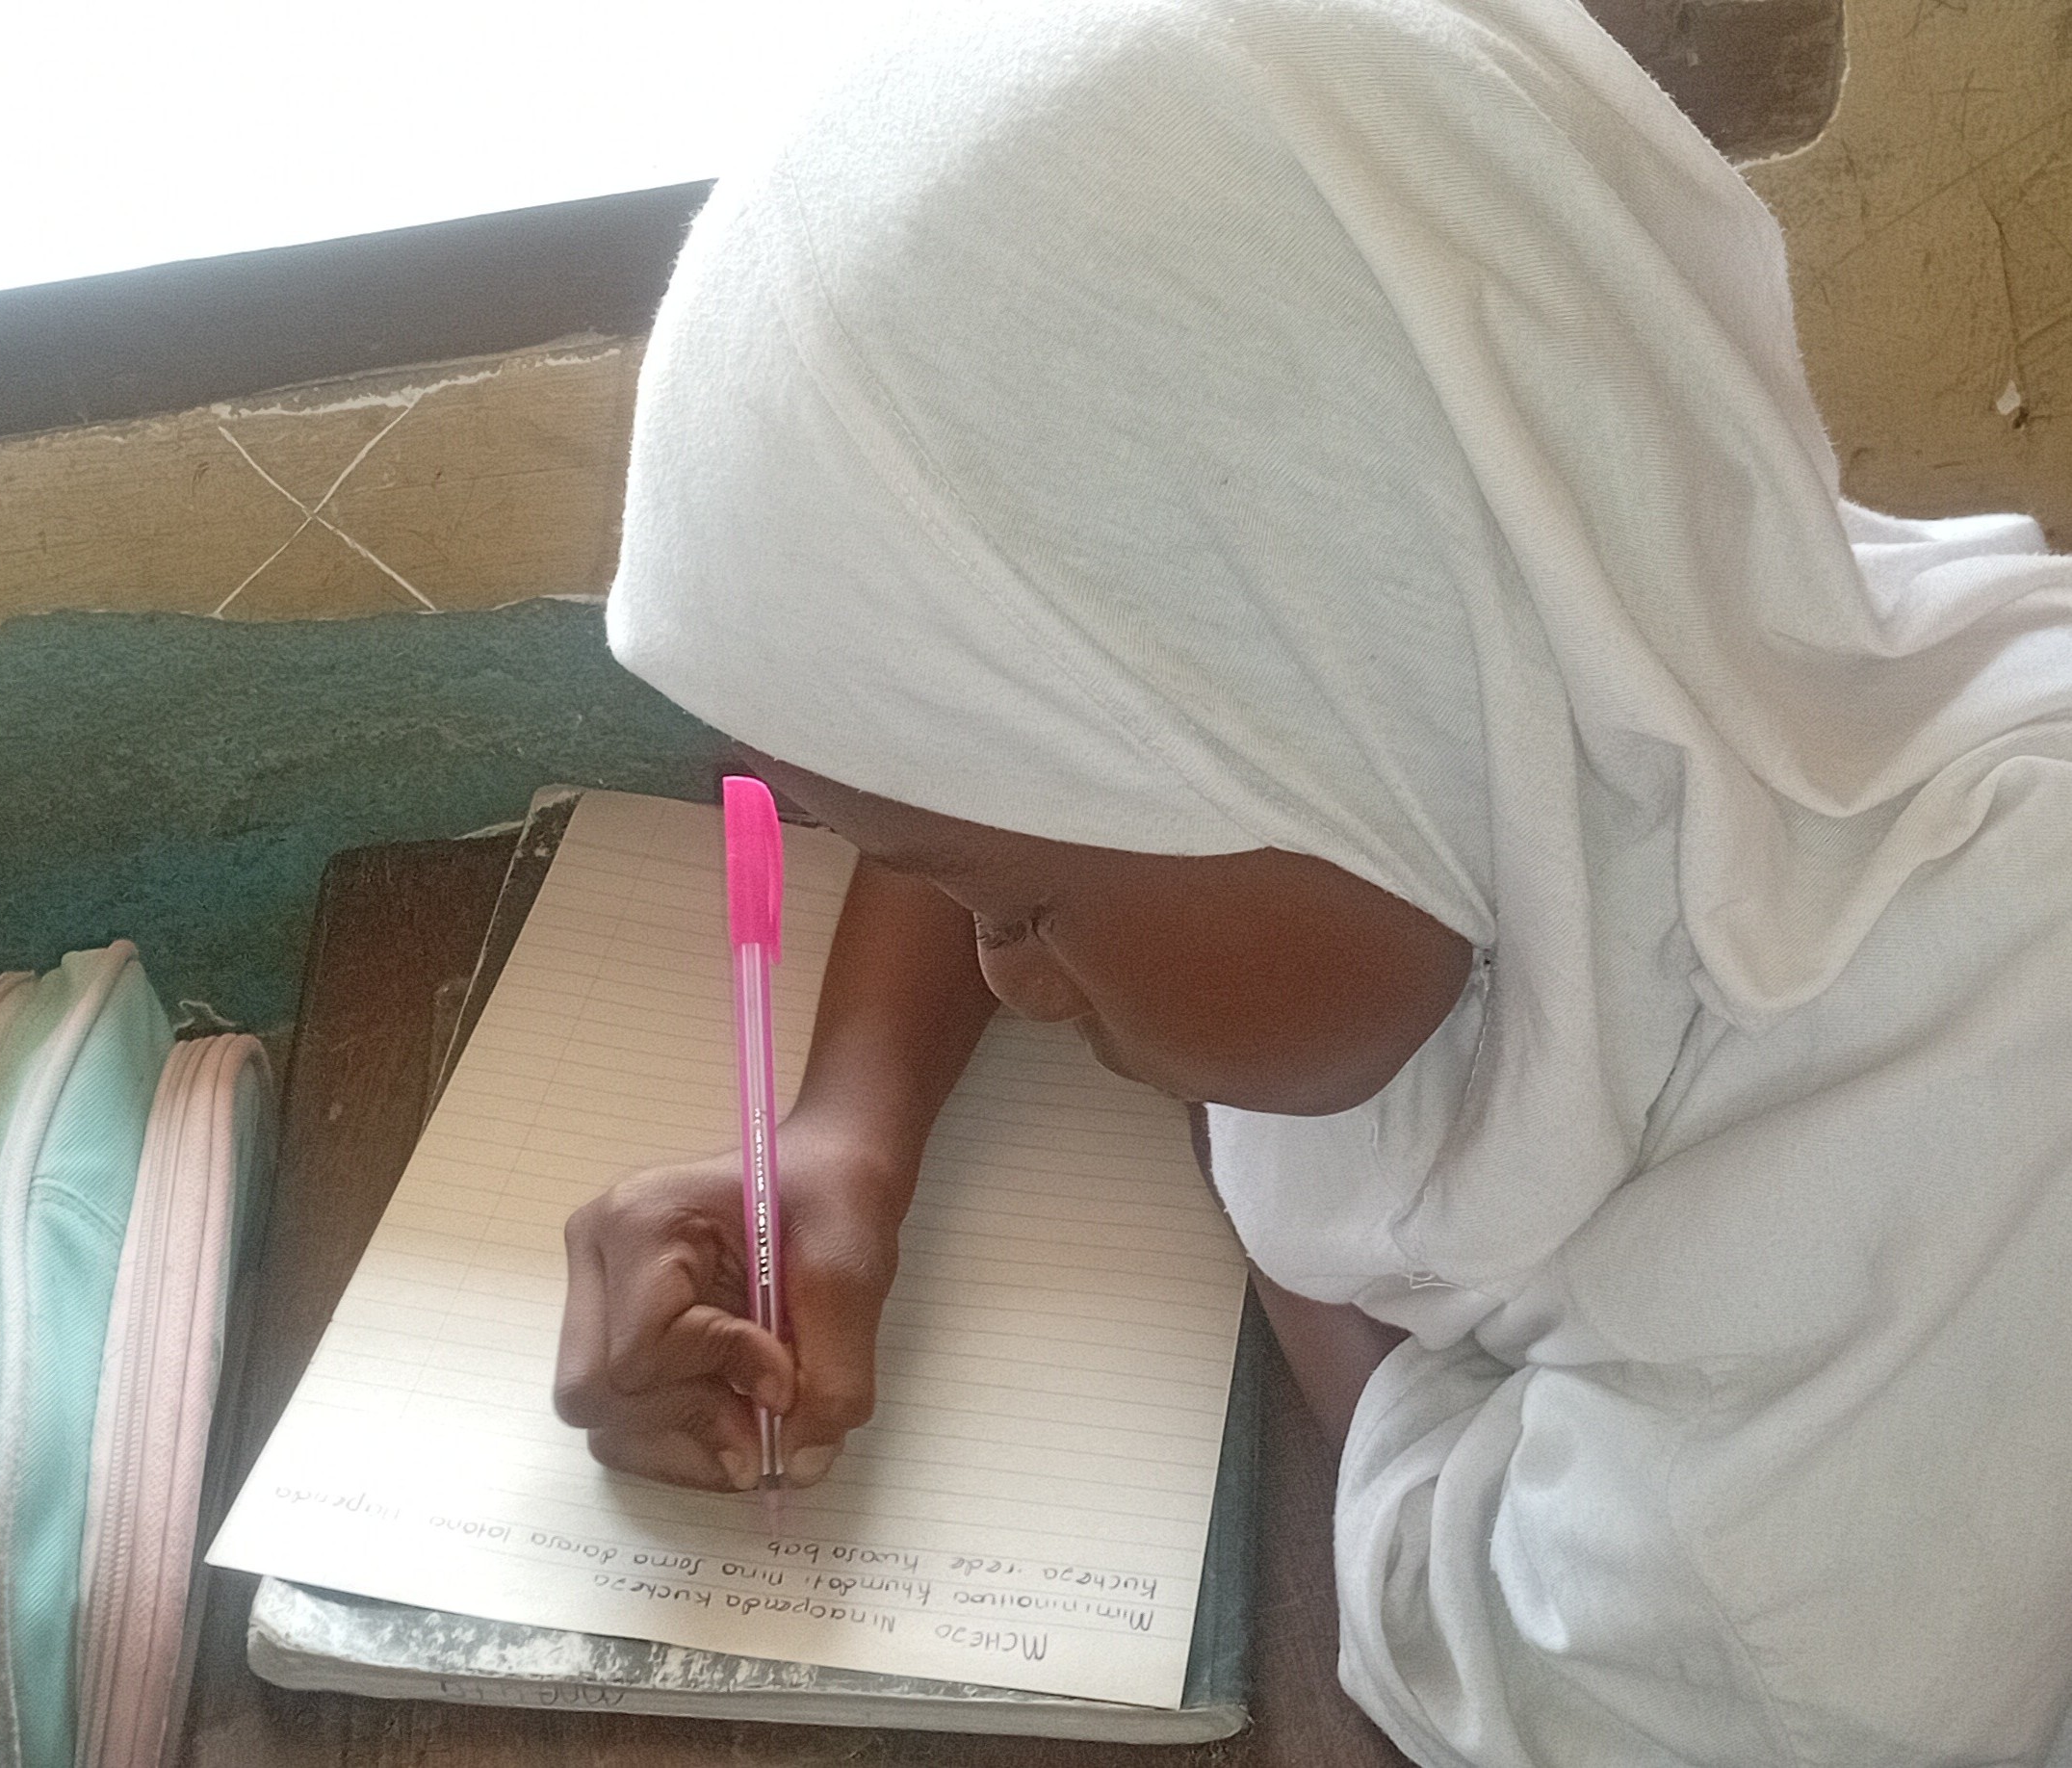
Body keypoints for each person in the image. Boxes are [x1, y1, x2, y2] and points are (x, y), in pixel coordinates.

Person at [551, 0, 2072, 1760]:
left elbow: (1556, 1689)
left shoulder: (1968, 1092)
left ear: (1309, 722)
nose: (1007, 979)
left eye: (1014, 914)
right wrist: (847, 1139)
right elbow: (1000, 781)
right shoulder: (1557, 626)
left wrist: (1302, 1263)